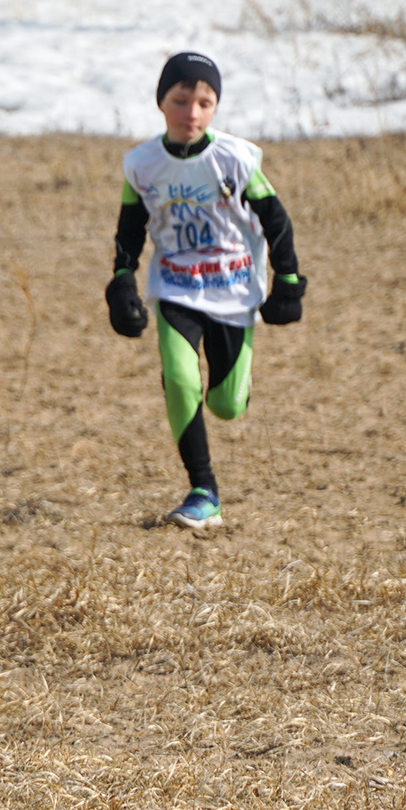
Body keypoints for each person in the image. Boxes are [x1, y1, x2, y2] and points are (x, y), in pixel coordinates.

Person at [104, 52, 307, 529]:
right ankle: (203, 490)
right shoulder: (141, 164)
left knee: (226, 406)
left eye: (204, 102)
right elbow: (129, 231)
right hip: (176, 285)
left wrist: (290, 281)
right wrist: (120, 281)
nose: (191, 113)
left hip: (234, 289)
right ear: (161, 102)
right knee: (180, 378)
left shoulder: (236, 159)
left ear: (215, 107)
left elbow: (275, 221)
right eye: (180, 100)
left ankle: (235, 384)